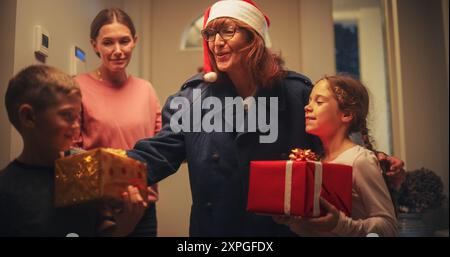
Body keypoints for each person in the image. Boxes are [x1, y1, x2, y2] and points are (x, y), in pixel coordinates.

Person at [127, 0, 404, 236]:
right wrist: (103, 167)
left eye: (228, 31)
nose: (217, 42)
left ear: (253, 37)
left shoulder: (295, 93)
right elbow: (158, 153)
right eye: (210, 33)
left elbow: (335, 143)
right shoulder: (193, 98)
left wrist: (378, 160)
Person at [0, 65, 147, 236]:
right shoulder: (6, 190)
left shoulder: (87, 173)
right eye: (67, 116)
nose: (77, 126)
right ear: (29, 117)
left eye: (78, 117)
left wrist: (124, 226)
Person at [274, 75, 398, 236]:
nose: (307, 107)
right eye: (310, 100)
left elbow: (388, 227)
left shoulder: (360, 160)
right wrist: (293, 221)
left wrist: (340, 223)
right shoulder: (317, 162)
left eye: (319, 102)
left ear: (346, 114)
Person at [74, 8, 161, 237]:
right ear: (95, 45)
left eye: (124, 41)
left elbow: (161, 147)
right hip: (96, 210)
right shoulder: (76, 88)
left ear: (135, 41)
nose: (118, 51)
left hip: (143, 208)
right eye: (108, 43)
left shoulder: (146, 90)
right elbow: (69, 153)